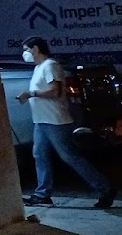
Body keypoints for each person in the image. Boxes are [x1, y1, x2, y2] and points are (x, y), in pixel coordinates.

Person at [16, 36, 116, 209]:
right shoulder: (40, 67)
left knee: (70, 156)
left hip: (55, 121)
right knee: (40, 155)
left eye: (26, 50)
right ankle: (42, 194)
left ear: (36, 49)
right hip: (41, 121)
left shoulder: (50, 66)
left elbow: (55, 92)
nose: (25, 54)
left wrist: (31, 94)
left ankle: (105, 189)